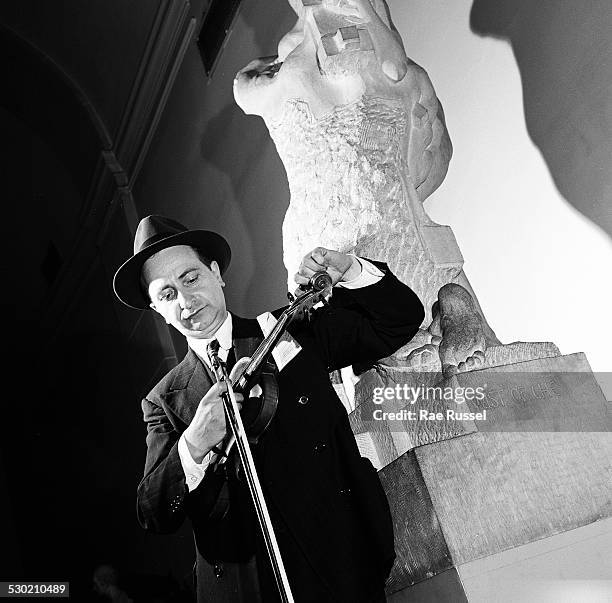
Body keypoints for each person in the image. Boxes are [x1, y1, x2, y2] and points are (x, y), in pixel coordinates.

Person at [113, 215, 424, 602]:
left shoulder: (288, 328)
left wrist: (350, 269)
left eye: (190, 278)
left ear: (216, 273)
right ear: (157, 309)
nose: (186, 301)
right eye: (167, 294)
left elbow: (399, 320)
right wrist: (194, 442)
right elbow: (153, 511)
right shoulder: (163, 400)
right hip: (253, 587)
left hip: (344, 561)